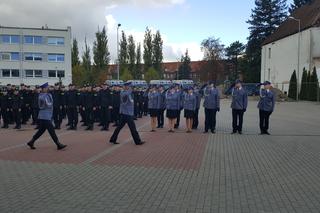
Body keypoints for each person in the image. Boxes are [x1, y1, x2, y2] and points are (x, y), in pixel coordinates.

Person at [27, 83, 67, 150]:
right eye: (46, 88)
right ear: (43, 89)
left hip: (47, 115)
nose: (48, 88)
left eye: (48, 87)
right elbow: (48, 104)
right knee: (51, 130)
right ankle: (58, 144)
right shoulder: (41, 96)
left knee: (41, 131)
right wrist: (50, 97)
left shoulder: (48, 94)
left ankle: (31, 141)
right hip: (44, 116)